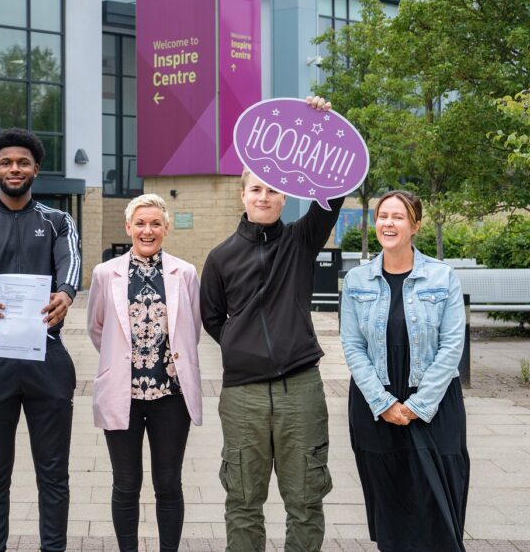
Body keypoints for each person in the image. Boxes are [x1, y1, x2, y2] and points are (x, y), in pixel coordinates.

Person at [200, 96, 342, 552]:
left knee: (305, 498)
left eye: (273, 190)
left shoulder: (300, 241)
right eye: (256, 189)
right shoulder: (221, 256)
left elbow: (333, 191)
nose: (264, 197)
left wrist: (319, 123)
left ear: (286, 195)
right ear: (242, 195)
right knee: (243, 499)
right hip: (242, 394)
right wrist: (245, 347)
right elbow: (212, 317)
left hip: (300, 387)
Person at [0, 127, 81, 552]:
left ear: (36, 170)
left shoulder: (59, 221)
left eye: (23, 162)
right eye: (7, 162)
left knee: (54, 472)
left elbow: (71, 264)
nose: (15, 169)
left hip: (48, 356)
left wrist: (66, 293)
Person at [340, 190, 468, 551]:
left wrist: (418, 405)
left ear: (415, 226)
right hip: (375, 403)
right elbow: (352, 346)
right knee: (391, 503)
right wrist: (384, 403)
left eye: (398, 216)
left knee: (438, 500)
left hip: (435, 403)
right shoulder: (357, 282)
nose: (388, 223)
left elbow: (451, 346)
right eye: (383, 216)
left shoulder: (443, 277)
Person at [86, 193, 203, 552]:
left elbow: (192, 329)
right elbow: (97, 327)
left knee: (168, 483)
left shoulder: (185, 273)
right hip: (124, 394)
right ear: (128, 227)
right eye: (140, 223)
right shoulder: (106, 274)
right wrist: (123, 362)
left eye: (155, 223)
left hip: (171, 395)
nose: (147, 230)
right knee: (125, 483)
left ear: (166, 228)